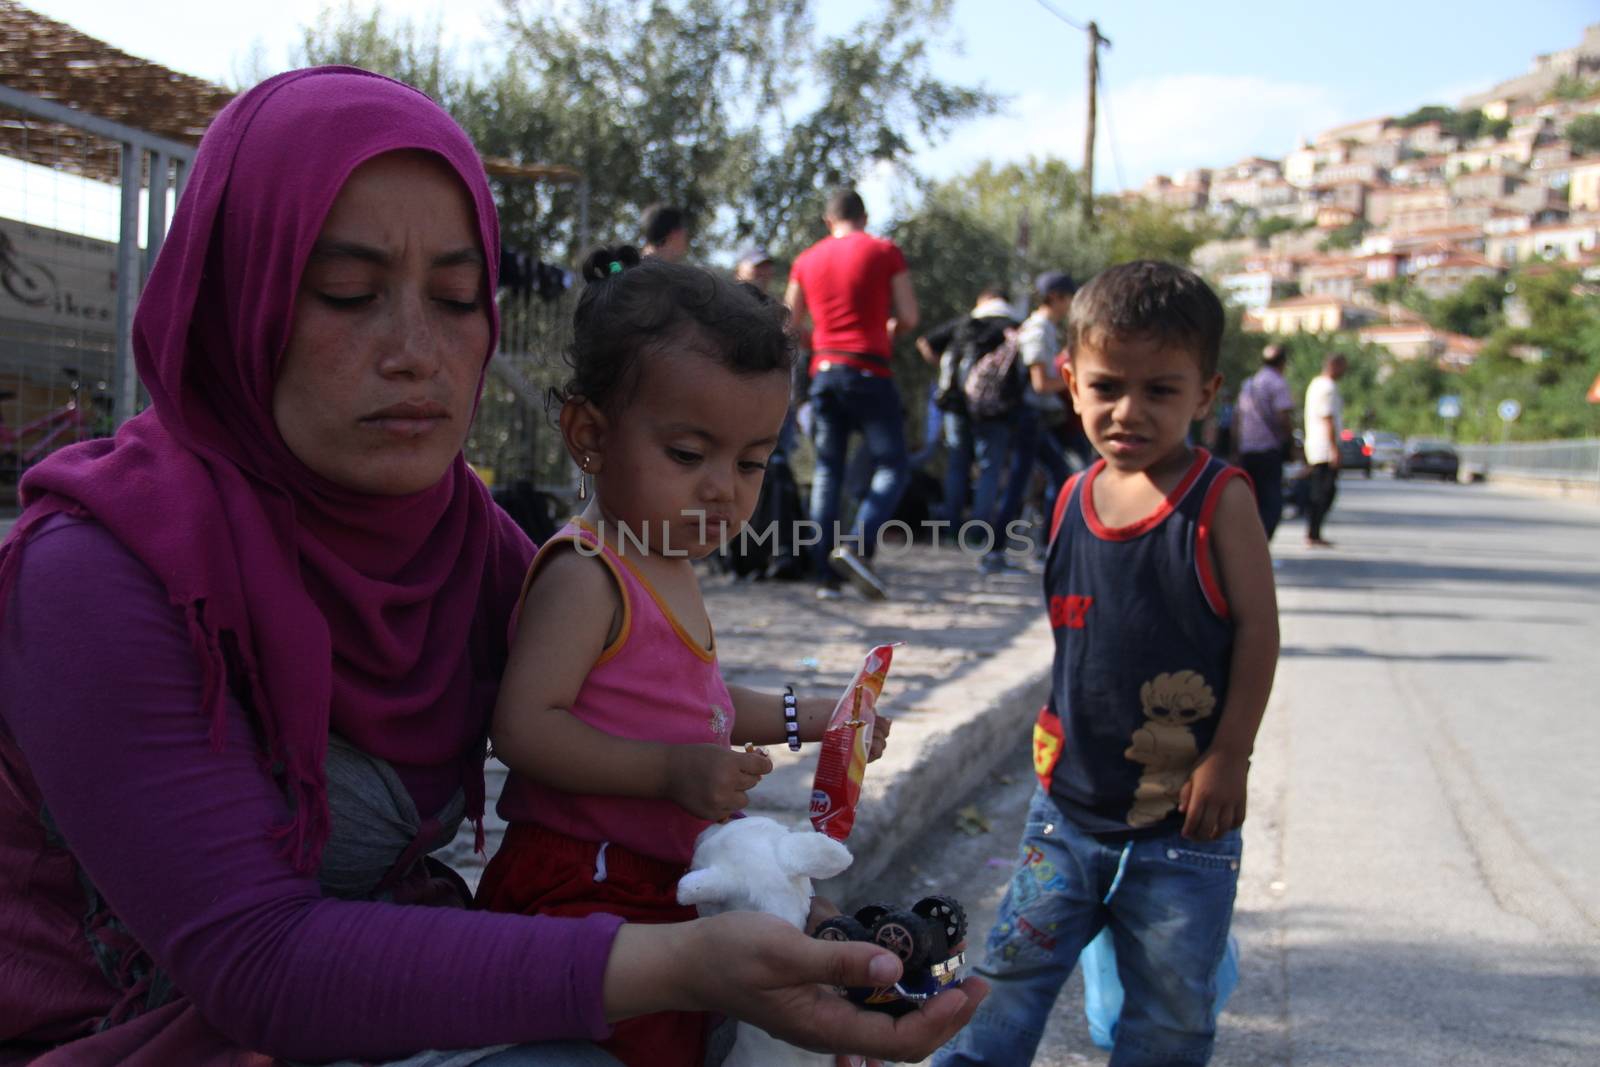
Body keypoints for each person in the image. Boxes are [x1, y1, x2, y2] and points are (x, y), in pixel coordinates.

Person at [0, 67, 984, 1065]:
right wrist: (688, 963)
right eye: (347, 293)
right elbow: (260, 960)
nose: (417, 352)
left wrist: (795, 911)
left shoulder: (462, 540)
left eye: (459, 296)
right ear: (235, 300)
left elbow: (647, 686)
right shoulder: (95, 575)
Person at [474, 247, 891, 1067]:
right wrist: (669, 772)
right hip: (585, 888)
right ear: (590, 435)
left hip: (662, 877)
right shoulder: (588, 571)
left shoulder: (662, 557)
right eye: (688, 455)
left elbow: (694, 700)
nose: (723, 490)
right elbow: (523, 728)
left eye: (749, 462)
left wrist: (819, 713)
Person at [935, 261, 1278, 1067]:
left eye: (1161, 390)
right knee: (1004, 987)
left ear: (1206, 393)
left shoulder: (1218, 499)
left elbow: (1259, 631)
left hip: (1181, 832)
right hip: (1065, 812)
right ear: (1068, 382)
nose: (1129, 411)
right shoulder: (1068, 497)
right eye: (1107, 386)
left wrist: (1230, 754)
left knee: (1169, 1018)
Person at [786, 188, 919, 601]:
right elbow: (910, 316)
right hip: (869, 371)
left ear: (829, 221)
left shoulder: (807, 259)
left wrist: (821, 340)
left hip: (824, 372)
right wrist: (887, 330)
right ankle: (858, 546)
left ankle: (825, 573)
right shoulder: (884, 251)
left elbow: (788, 324)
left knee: (828, 470)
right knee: (893, 464)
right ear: (864, 216)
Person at [975, 270, 1078, 574]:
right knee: (1029, 482)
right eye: (1069, 298)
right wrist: (1077, 377)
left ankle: (1037, 547)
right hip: (1028, 419)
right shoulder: (1038, 329)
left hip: (1034, 420)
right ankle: (1001, 551)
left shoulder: (1044, 329)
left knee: (1048, 478)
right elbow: (1040, 384)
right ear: (1056, 298)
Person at [915, 286, 1017, 534]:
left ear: (984, 299)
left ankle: (951, 529)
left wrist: (944, 369)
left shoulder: (964, 323)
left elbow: (924, 342)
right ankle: (978, 532)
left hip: (956, 404)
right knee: (989, 468)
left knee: (957, 464)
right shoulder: (1013, 326)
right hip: (994, 409)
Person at [1234, 343, 1295, 540]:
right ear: (1283, 363)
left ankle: (1248, 542)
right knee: (1271, 503)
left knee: (1251, 500)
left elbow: (1237, 418)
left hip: (1247, 450)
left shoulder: (1249, 384)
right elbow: (1283, 416)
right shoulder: (1278, 383)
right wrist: (1291, 442)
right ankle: (1260, 543)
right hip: (1268, 450)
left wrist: (1235, 448)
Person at [1302, 353, 1347, 548]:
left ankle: (1314, 532)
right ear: (1334, 365)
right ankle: (1313, 532)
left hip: (1316, 446)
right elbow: (1327, 417)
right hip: (1324, 448)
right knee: (1323, 492)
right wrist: (1334, 449)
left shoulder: (1315, 384)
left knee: (1321, 491)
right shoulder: (1327, 387)